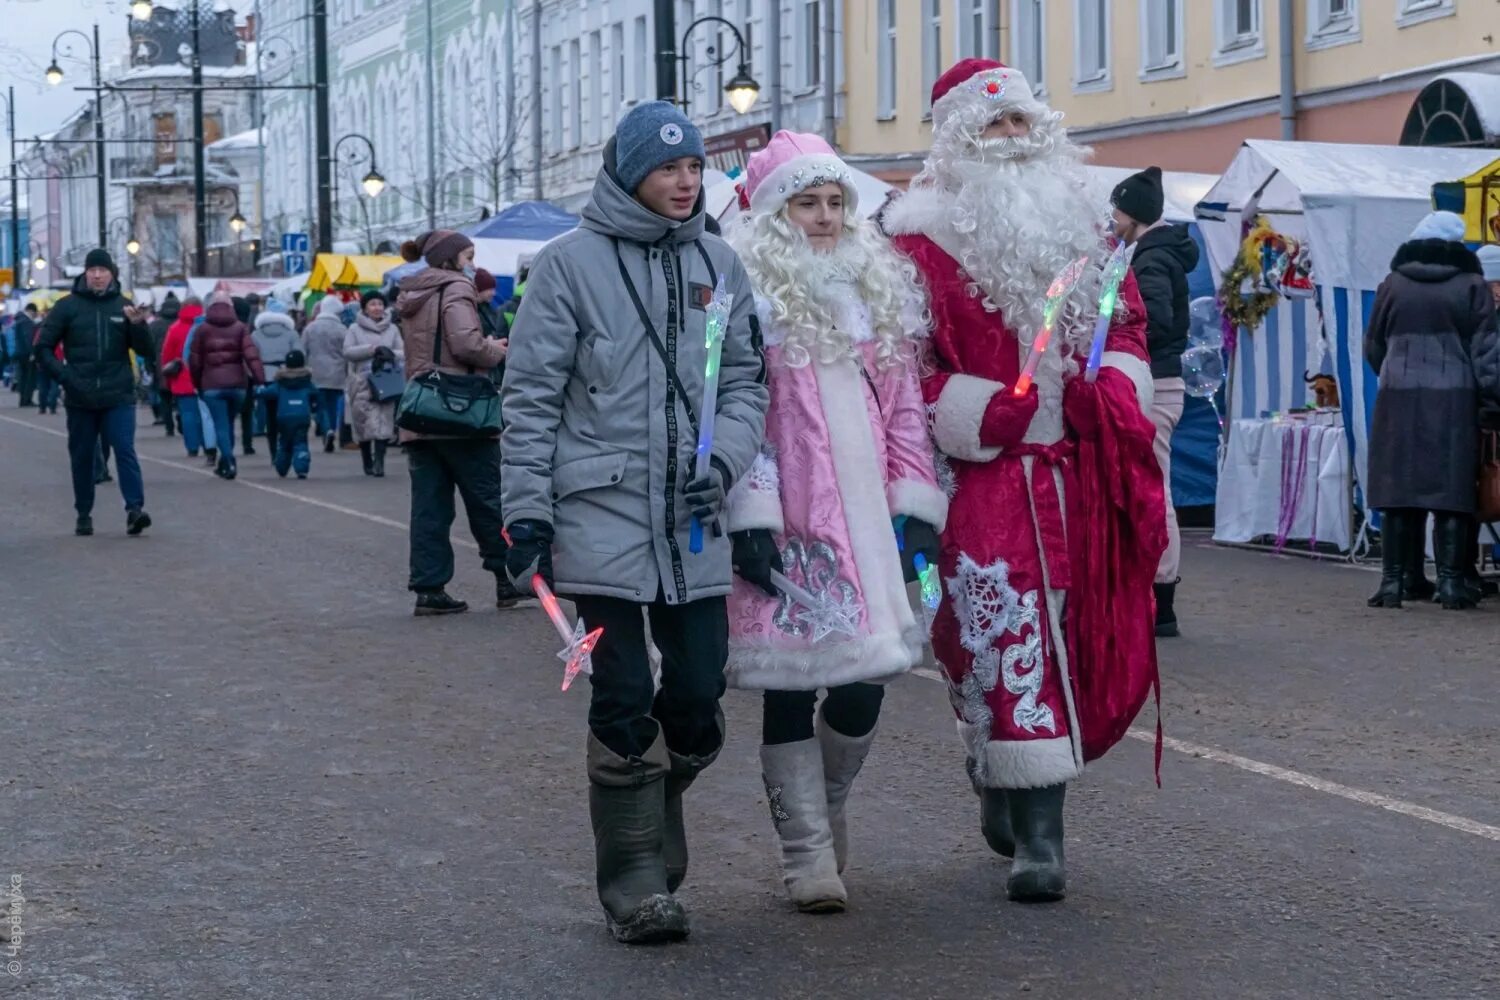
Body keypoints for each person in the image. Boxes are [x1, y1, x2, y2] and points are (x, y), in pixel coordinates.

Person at [884, 59, 1166, 903]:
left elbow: (1128, 329)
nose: (1008, 143)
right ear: (957, 142)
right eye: (989, 129)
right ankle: (1017, 795)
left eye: (1018, 127)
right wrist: (972, 410)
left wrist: (1112, 388)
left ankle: (1039, 815)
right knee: (997, 641)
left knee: (1072, 641)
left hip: (1078, 469)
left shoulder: (1089, 231)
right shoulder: (916, 243)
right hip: (986, 479)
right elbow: (905, 370)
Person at [501, 100, 769, 944]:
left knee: (696, 693)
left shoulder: (722, 265)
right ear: (629, 174)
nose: (686, 182)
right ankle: (634, 879)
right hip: (598, 514)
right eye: (667, 168)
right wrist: (525, 516)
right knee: (620, 694)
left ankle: (653, 810)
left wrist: (721, 462)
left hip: (693, 522)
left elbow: (746, 383)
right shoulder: (566, 266)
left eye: (693, 167)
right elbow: (532, 398)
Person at [723, 131, 946, 913]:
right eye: (806, 203)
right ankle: (806, 852)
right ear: (775, 211)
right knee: (791, 684)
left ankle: (830, 798)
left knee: (866, 681)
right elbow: (735, 414)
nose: (823, 217)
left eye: (833, 203)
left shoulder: (875, 295)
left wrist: (915, 506)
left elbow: (908, 413)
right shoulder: (745, 304)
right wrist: (748, 512)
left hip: (871, 526)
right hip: (790, 523)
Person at [1366, 211, 1497, 611]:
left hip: (1397, 400)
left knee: (1397, 491)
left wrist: (1395, 374)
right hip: (1454, 401)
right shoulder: (1472, 286)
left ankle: (1394, 583)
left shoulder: (1392, 284)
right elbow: (1487, 354)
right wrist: (1492, 401)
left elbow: (1373, 345)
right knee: (1451, 492)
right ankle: (1452, 585)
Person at [395, 231, 511, 613]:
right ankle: (509, 578)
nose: (472, 263)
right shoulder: (456, 289)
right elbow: (465, 344)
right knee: (487, 498)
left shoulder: (412, 293)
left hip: (422, 410)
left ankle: (429, 588)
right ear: (452, 259)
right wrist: (494, 349)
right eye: (468, 255)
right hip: (461, 410)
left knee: (429, 506)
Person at [1110, 166, 1199, 638]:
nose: (1113, 218)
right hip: (1158, 380)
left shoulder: (1152, 259)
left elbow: (1156, 318)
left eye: (1118, 209)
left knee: (1155, 487)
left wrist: (1116, 321)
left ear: (1136, 215)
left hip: (1155, 382)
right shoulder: (1152, 253)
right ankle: (1151, 592)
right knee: (1149, 484)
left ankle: (1161, 595)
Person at [33, 248, 155, 537]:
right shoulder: (67, 307)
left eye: (103, 270)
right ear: (85, 273)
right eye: (92, 271)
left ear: (112, 273)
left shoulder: (124, 306)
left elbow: (147, 351)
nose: (97, 275)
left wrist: (138, 326)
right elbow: (42, 348)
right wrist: (65, 377)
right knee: (83, 455)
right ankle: (84, 512)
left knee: (125, 450)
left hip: (118, 394)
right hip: (80, 396)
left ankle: (134, 510)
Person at [189, 291, 265, 480]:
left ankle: (229, 460)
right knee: (229, 423)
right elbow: (251, 355)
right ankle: (225, 462)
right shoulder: (240, 327)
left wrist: (197, 383)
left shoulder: (202, 329)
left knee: (220, 424)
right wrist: (259, 379)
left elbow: (195, 361)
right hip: (237, 385)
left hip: (212, 386)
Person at [343, 289, 404, 477]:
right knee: (362, 421)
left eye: (379, 304)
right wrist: (371, 350)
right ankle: (366, 459)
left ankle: (380, 461)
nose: (377, 308)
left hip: (386, 380)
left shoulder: (392, 329)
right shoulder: (354, 329)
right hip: (362, 381)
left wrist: (389, 353)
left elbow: (403, 352)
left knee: (384, 421)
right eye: (372, 304)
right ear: (365, 308)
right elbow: (347, 351)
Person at [159, 298, 210, 459]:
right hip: (204, 376)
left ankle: (192, 447)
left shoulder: (175, 328)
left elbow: (166, 353)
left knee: (187, 414)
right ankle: (208, 444)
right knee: (205, 414)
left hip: (182, 376)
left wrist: (167, 374)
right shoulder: (206, 326)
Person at [252, 305, 303, 460]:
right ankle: (288, 448)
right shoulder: (292, 334)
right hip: (288, 377)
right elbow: (300, 355)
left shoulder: (255, 334)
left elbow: (253, 358)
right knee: (290, 413)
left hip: (266, 378)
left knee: (270, 416)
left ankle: (274, 451)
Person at [303, 296, 349, 453]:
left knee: (320, 405)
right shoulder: (342, 329)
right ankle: (332, 429)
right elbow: (347, 352)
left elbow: (303, 350)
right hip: (337, 372)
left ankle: (326, 429)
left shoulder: (310, 328)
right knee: (334, 405)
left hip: (315, 371)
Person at [267, 348, 315, 479]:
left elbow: (267, 392)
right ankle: (301, 467)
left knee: (284, 442)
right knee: (300, 442)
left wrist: (258, 392)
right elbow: (316, 394)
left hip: (283, 416)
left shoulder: (280, 383)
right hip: (302, 416)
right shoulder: (307, 382)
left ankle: (281, 466)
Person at [148, 294, 181, 436]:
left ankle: (169, 427)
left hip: (161, 365)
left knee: (164, 398)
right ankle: (182, 420)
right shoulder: (182, 324)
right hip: (181, 365)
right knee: (182, 398)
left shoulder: (154, 326)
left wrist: (150, 366)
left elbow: (148, 348)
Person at [13, 303, 38, 406]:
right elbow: (28, 338)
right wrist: (32, 352)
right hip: (27, 354)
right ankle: (26, 400)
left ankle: (23, 399)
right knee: (29, 377)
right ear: (31, 311)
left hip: (20, 352)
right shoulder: (26, 322)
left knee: (23, 377)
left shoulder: (19, 320)